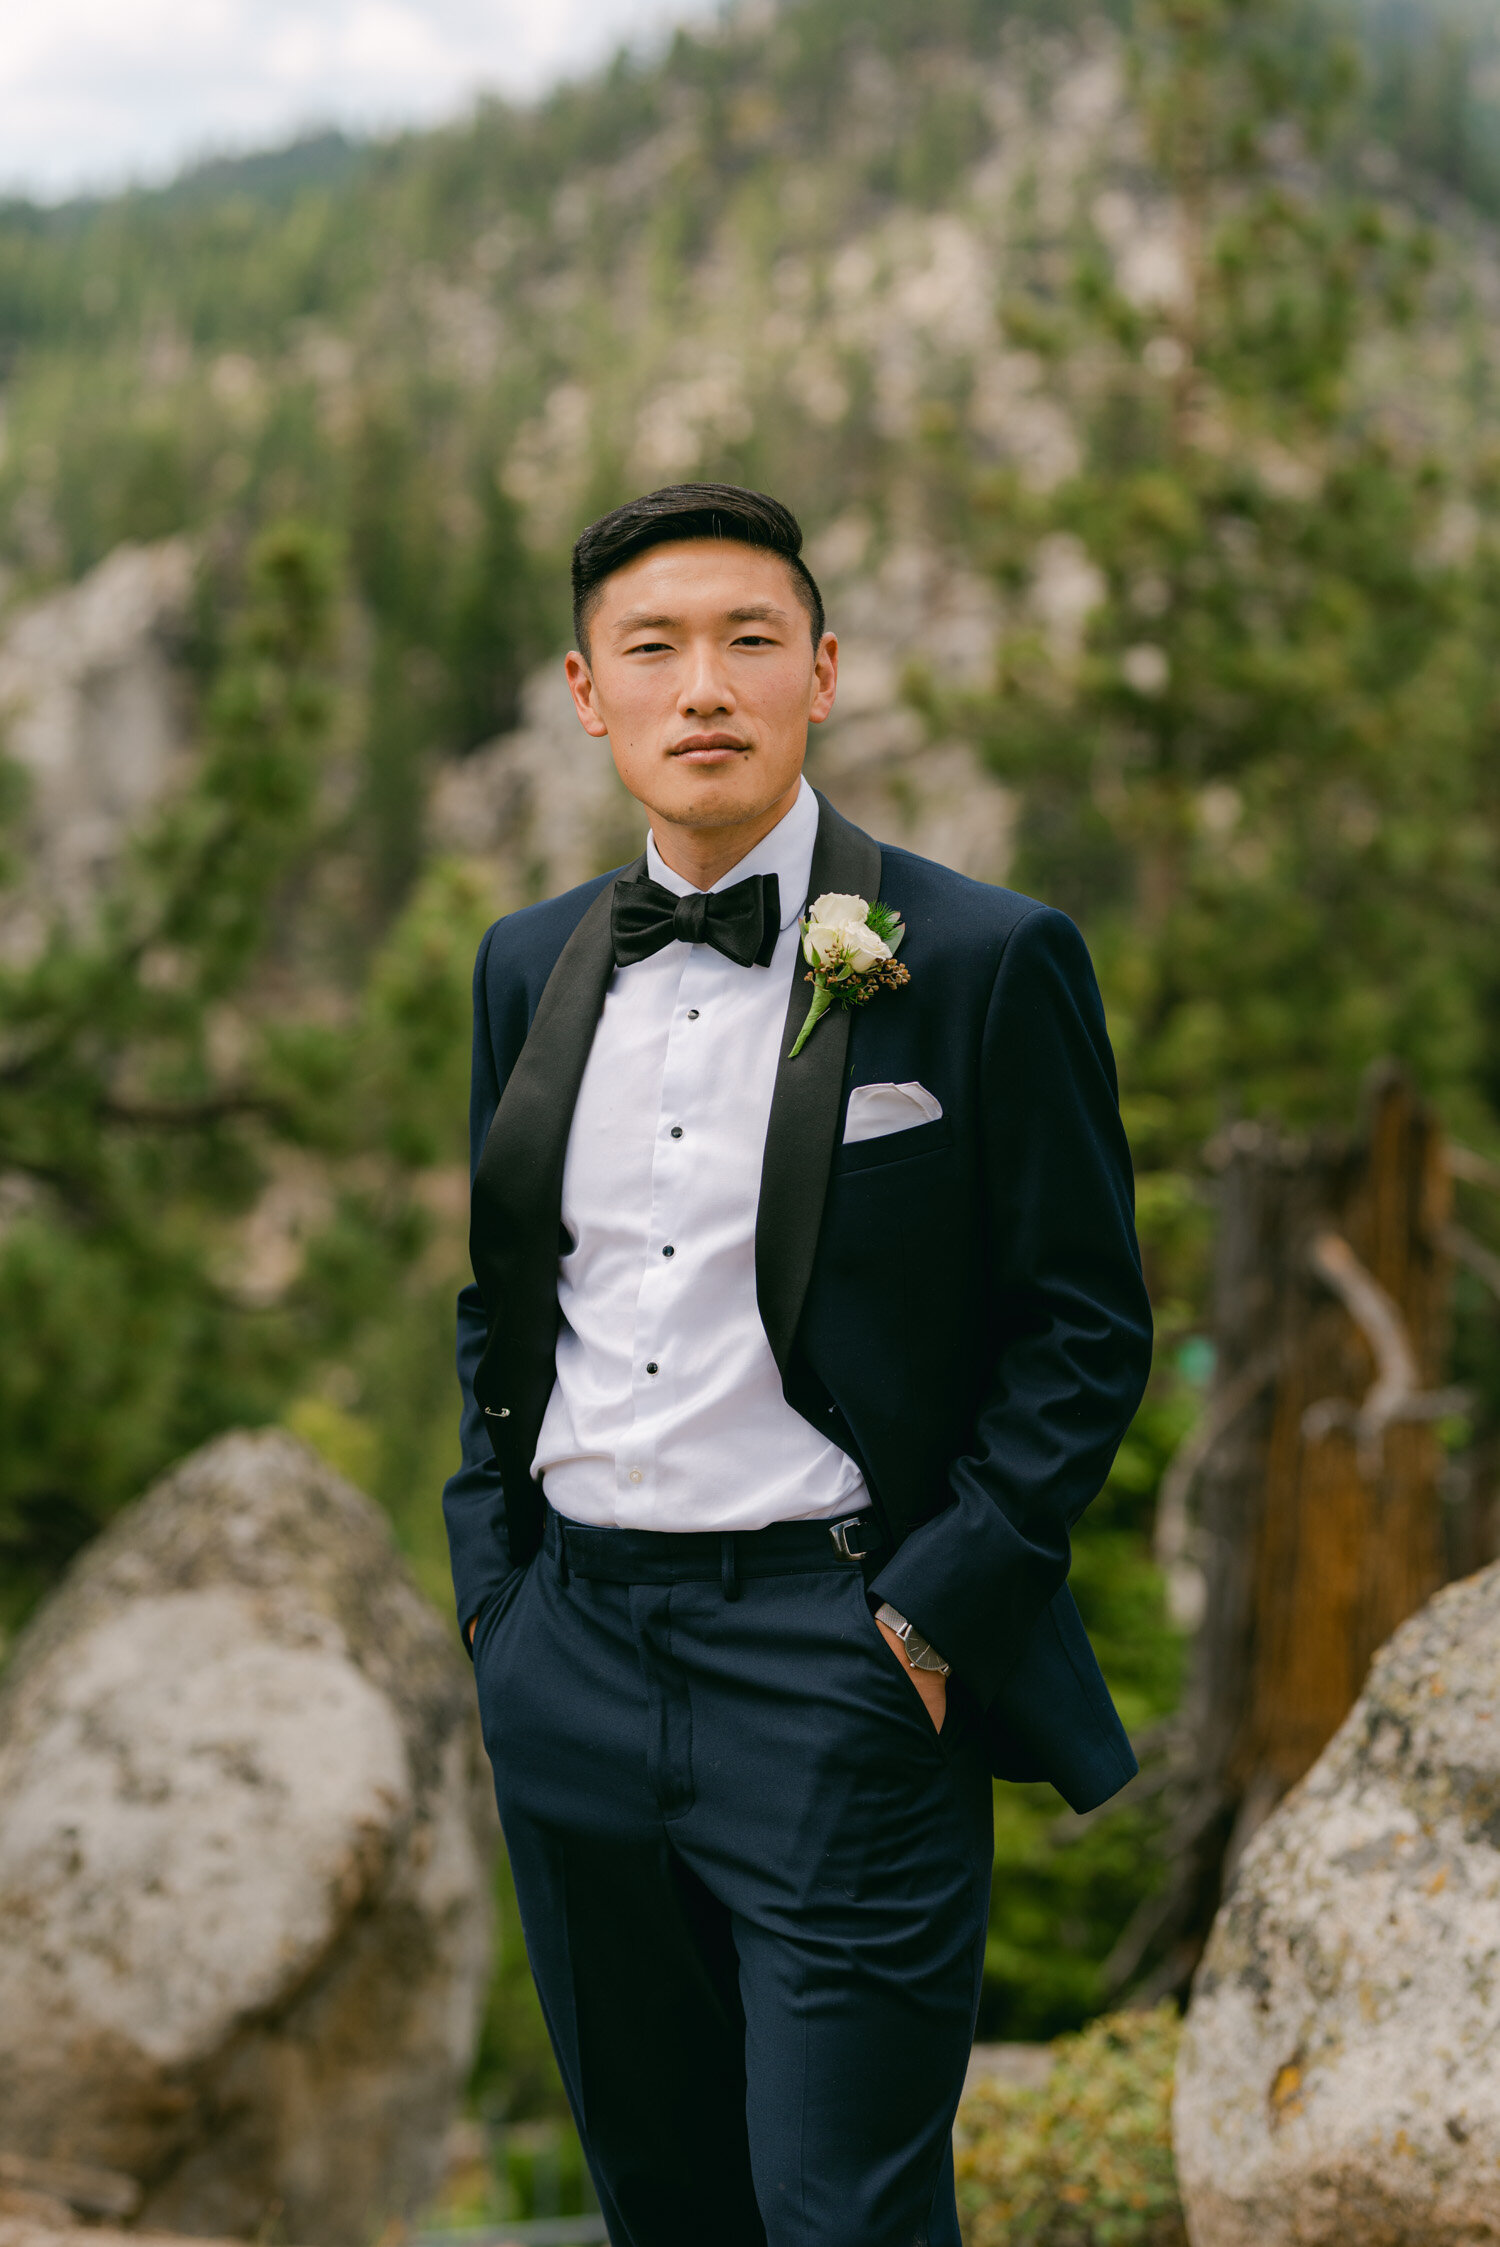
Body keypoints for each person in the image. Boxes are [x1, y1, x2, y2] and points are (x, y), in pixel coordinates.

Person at [442, 482, 1152, 2247]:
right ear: (586, 695)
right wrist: (498, 1606)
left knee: (845, 2216)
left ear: (820, 673)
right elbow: (504, 1297)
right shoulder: (525, 967)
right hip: (572, 1663)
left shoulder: (983, 960)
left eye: (749, 641)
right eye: (653, 650)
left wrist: (926, 1617)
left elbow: (1086, 1322)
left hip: (838, 1665)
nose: (705, 687)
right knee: (664, 2209)